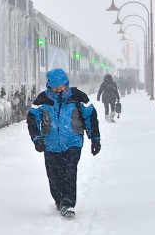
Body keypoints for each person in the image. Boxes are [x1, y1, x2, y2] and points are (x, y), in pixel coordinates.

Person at [27, 68, 101, 219]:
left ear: (66, 83)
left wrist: (95, 139)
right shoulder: (42, 99)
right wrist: (37, 139)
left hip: (73, 142)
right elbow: (32, 119)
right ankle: (59, 199)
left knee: (69, 172)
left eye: (61, 86)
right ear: (49, 86)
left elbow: (91, 117)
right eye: (55, 87)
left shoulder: (78, 97)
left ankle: (68, 204)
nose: (59, 90)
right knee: (53, 175)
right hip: (50, 144)